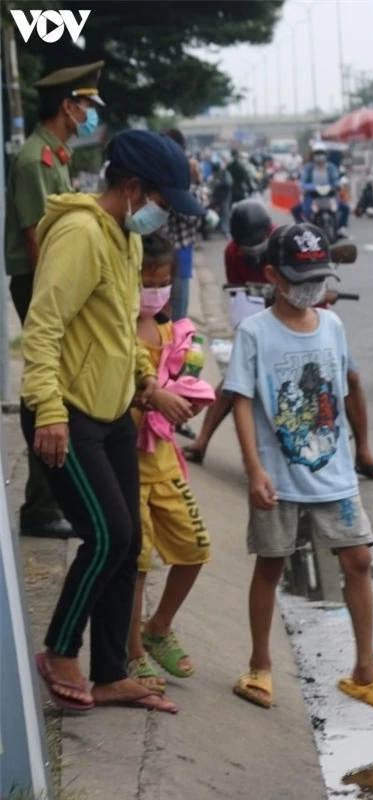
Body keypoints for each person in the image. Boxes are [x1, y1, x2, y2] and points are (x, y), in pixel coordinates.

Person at [21, 129, 203, 714]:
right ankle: (60, 648)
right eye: (162, 201)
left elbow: (118, 336)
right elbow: (43, 329)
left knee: (130, 549)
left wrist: (147, 389)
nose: (164, 214)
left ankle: (110, 673)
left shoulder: (124, 236)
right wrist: (48, 411)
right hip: (67, 414)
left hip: (114, 410)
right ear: (131, 188)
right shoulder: (79, 234)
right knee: (108, 535)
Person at [224, 222, 373, 714]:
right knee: (271, 564)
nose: (311, 288)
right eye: (299, 278)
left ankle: (366, 671)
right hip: (278, 478)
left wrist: (361, 452)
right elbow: (241, 401)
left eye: (318, 278)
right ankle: (260, 665)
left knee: (359, 562)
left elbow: (342, 391)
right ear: (271, 275)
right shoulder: (254, 332)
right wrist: (254, 469)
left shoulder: (332, 325)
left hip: (335, 475)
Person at [182, 200, 373, 481]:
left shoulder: (293, 243)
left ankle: (363, 452)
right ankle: (202, 441)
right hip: (267, 318)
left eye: (255, 245)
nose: (251, 252)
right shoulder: (234, 253)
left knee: (350, 378)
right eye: (245, 247)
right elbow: (242, 298)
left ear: (267, 233)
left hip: (312, 318)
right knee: (235, 380)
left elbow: (315, 284)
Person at [4, 60, 105, 539]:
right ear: (67, 106)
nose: (89, 113)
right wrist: (61, 297)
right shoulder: (33, 160)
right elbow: (35, 240)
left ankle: (49, 500)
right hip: (40, 282)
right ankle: (41, 507)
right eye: (85, 105)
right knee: (51, 386)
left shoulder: (56, 155)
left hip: (51, 282)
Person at [125, 231, 214, 694]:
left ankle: (157, 627)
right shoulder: (118, 334)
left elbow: (186, 387)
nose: (154, 292)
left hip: (165, 464)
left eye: (162, 282)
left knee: (195, 549)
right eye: (145, 282)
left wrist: (186, 399)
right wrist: (154, 396)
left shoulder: (173, 334)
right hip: (128, 467)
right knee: (136, 564)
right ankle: (132, 650)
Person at [162, 129, 203, 322]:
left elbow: (196, 215)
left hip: (180, 249)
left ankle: (177, 347)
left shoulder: (187, 173)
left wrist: (194, 182)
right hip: (155, 250)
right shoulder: (158, 171)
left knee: (178, 310)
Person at [291, 142, 350, 237]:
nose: (319, 156)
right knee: (295, 209)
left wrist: (337, 185)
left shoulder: (331, 167)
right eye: (317, 153)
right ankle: (303, 230)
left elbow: (336, 180)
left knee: (345, 208)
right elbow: (303, 182)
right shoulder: (308, 168)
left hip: (330, 195)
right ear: (313, 155)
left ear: (326, 155)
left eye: (321, 153)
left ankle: (341, 228)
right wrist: (311, 187)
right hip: (312, 196)